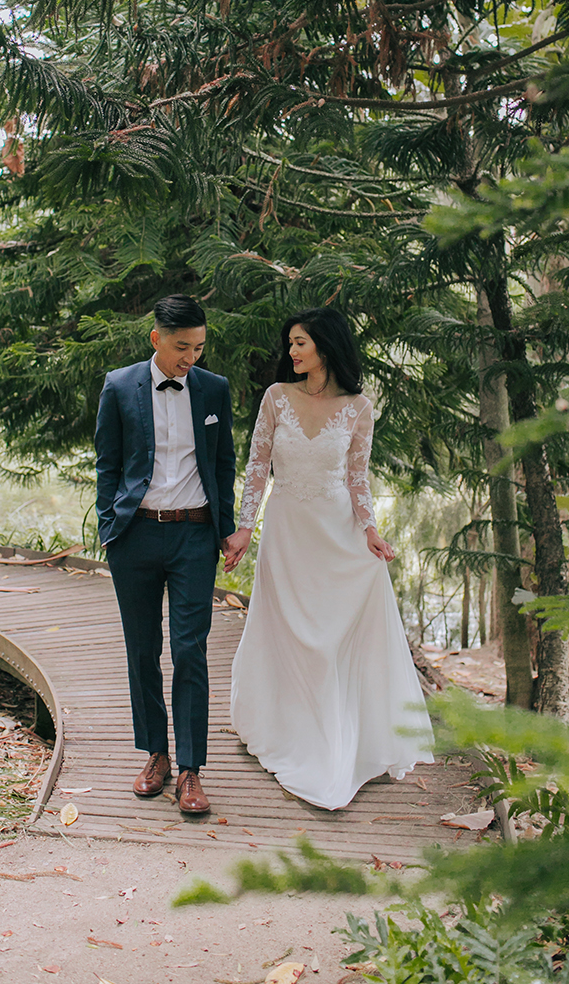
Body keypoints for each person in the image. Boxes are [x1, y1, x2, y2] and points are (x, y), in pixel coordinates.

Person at [225, 307, 434, 809]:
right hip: (287, 532)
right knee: (289, 631)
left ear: (325, 345)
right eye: (290, 343)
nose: (292, 352)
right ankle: (285, 729)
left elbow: (358, 476)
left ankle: (338, 740)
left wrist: (371, 529)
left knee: (331, 638)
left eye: (300, 343)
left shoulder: (360, 407)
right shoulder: (276, 397)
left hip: (338, 534)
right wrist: (245, 527)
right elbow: (257, 465)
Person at [94, 294, 237, 816]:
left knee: (190, 651)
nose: (190, 358)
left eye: (199, 348)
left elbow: (223, 465)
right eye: (182, 348)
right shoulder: (118, 386)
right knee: (142, 650)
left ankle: (192, 769)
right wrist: (111, 528)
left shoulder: (214, 389)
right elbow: (107, 464)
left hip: (194, 537)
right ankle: (156, 754)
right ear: (155, 339)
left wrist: (227, 529)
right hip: (134, 537)